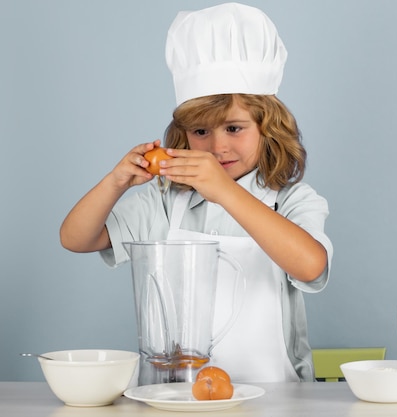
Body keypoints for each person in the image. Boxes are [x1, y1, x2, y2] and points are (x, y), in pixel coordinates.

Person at [59, 2, 332, 383]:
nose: (217, 147)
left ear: (268, 128)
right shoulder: (166, 201)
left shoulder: (290, 200)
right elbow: (75, 238)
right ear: (183, 135)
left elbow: (311, 266)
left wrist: (225, 192)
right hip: (178, 391)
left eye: (234, 129)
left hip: (276, 395)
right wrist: (114, 182)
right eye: (201, 131)